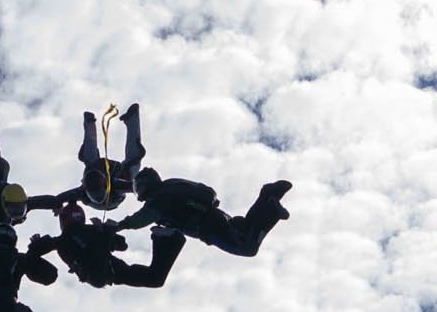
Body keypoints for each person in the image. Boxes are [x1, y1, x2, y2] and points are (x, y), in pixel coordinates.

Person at [112, 169, 291, 258]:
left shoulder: (157, 202)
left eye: (139, 186)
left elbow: (138, 220)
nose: (138, 191)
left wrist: (118, 226)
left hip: (208, 228)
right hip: (216, 215)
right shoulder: (171, 184)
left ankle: (270, 206)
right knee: (246, 229)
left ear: (147, 185)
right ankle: (269, 194)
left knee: (247, 247)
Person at [37, 201, 184, 290]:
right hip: (109, 270)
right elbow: (121, 244)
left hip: (104, 272)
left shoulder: (64, 240)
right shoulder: (87, 231)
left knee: (155, 279)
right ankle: (165, 238)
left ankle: (166, 238)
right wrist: (107, 232)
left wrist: (36, 244)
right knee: (155, 278)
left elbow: (46, 246)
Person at [58, 103, 145, 212]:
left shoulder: (82, 191)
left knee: (89, 156)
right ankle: (132, 119)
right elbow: (138, 186)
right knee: (134, 158)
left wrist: (56, 204)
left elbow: (58, 198)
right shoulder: (118, 186)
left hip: (105, 170)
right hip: (116, 184)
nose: (97, 196)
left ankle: (89, 123)